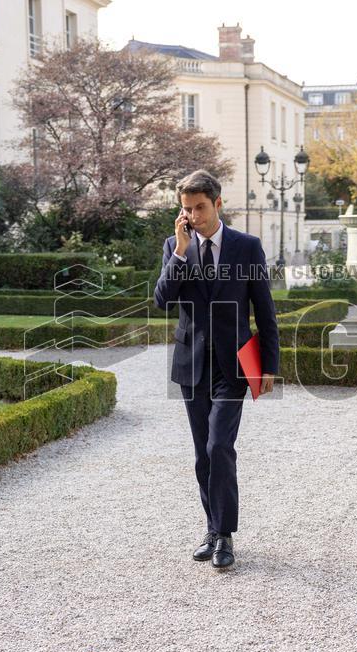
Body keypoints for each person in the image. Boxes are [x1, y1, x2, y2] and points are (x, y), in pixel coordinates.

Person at [153, 169, 280, 571]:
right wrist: (179, 253)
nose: (192, 215)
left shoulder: (246, 247)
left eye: (200, 207)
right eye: (186, 208)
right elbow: (162, 300)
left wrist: (270, 365)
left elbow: (265, 309)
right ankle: (211, 527)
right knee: (201, 455)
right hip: (192, 365)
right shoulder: (175, 245)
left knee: (218, 446)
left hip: (233, 365)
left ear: (218, 203)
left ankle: (224, 535)